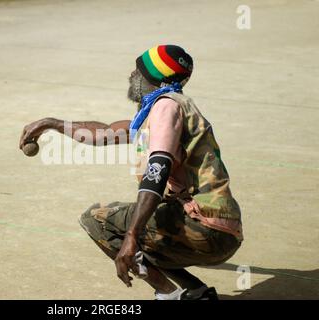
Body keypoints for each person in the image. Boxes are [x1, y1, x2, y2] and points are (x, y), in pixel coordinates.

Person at [19, 45, 243, 300]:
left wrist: (132, 236)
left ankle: (169, 294)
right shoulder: (163, 109)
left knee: (99, 220)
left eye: (138, 71)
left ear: (157, 78)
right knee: (144, 227)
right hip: (224, 230)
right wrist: (51, 123)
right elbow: (104, 133)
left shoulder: (166, 107)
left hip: (202, 226)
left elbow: (157, 172)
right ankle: (196, 292)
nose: (131, 75)